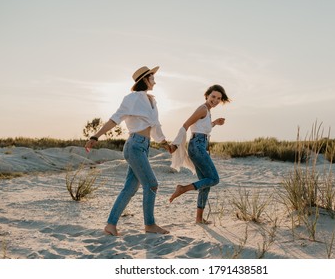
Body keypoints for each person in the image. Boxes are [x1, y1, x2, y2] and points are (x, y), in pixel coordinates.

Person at [85, 65, 171, 236]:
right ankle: (150, 225)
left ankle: (111, 225)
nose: (155, 80)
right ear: (145, 79)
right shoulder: (132, 98)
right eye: (152, 77)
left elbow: (155, 126)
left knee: (129, 189)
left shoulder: (152, 101)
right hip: (134, 146)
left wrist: (165, 144)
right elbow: (115, 119)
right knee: (152, 184)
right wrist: (95, 136)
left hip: (144, 146)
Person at [169, 84, 230, 224]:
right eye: (213, 96)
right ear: (207, 95)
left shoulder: (207, 111)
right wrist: (175, 144)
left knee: (205, 184)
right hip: (197, 146)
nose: (215, 100)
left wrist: (215, 123)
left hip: (199, 145)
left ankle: (199, 219)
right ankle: (183, 188)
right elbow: (186, 124)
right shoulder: (202, 108)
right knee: (214, 179)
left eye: (218, 98)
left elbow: (202, 127)